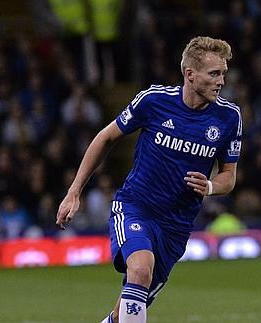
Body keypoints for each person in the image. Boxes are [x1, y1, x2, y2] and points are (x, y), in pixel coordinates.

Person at [56, 36, 242, 323]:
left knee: (123, 315)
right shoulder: (154, 101)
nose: (221, 81)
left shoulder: (229, 118)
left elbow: (229, 176)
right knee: (141, 268)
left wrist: (209, 186)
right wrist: (74, 192)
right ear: (190, 75)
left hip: (176, 226)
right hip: (136, 207)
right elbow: (105, 138)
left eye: (223, 74)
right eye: (214, 73)